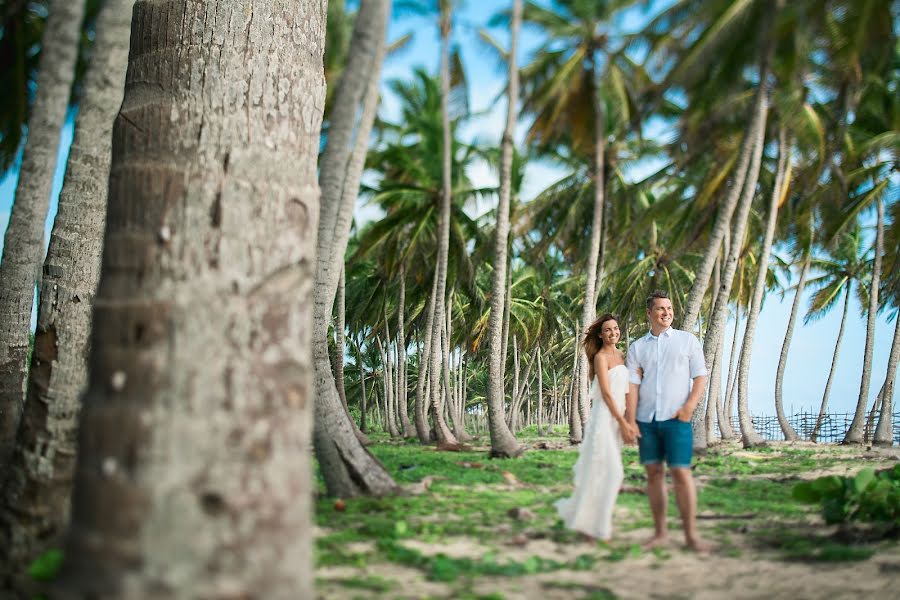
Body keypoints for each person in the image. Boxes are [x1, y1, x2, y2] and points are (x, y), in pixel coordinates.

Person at [625, 290, 710, 551]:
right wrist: (631, 420)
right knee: (654, 474)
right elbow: (633, 385)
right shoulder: (638, 347)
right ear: (649, 313)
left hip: (677, 419)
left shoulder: (687, 341)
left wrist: (689, 408)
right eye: (661, 308)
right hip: (646, 420)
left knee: (681, 473)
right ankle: (660, 533)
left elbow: (699, 377)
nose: (667, 312)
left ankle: (691, 535)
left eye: (670, 308)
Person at [555, 314, 639, 541]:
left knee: (603, 472)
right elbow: (607, 395)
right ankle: (599, 528)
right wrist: (622, 423)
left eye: (616, 328)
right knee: (612, 472)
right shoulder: (601, 358)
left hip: (618, 419)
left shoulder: (622, 355)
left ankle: (590, 524)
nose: (613, 333)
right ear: (600, 335)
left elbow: (629, 390)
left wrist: (630, 421)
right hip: (604, 418)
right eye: (608, 330)